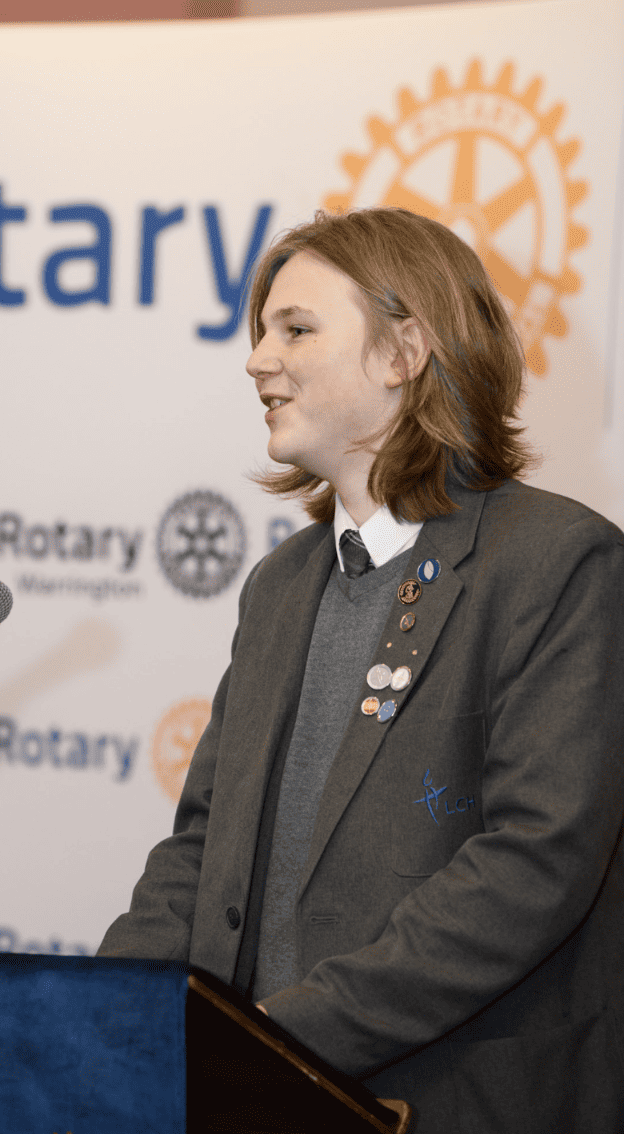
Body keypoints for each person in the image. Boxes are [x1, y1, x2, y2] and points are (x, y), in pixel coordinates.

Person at [97, 207, 624, 1133]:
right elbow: (201, 849)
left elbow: (533, 866)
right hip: (254, 1090)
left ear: (404, 352)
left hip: (448, 1100)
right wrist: (102, 1023)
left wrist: (277, 1042)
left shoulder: (559, 563)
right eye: (262, 331)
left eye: (295, 329)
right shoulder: (280, 585)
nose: (258, 359)